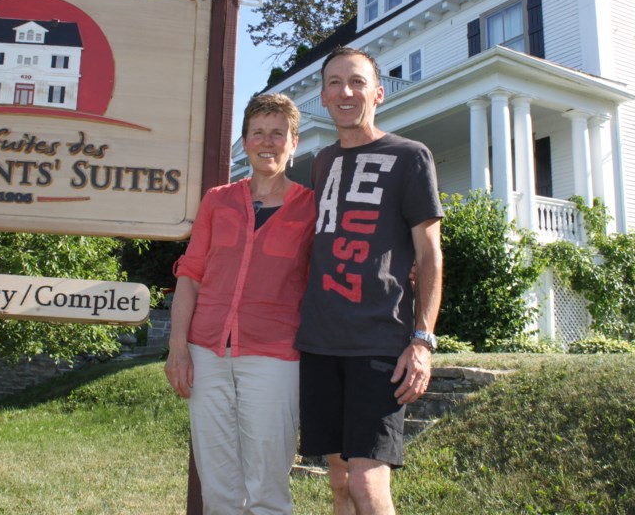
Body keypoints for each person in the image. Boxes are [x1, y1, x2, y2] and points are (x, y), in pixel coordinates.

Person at [295, 46, 444, 515]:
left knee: (366, 481)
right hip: (320, 342)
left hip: (379, 342)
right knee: (339, 481)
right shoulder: (321, 162)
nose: (345, 91)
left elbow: (430, 255)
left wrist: (421, 340)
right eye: (335, 82)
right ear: (322, 96)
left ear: (377, 93)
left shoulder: (409, 156)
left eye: (357, 81)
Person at [164, 93, 315, 515]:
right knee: (218, 485)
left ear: (293, 142)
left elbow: (338, 265)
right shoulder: (218, 200)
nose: (267, 142)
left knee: (267, 484)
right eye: (258, 133)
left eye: (277, 133)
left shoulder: (312, 208)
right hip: (206, 351)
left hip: (274, 355)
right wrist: (178, 347)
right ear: (246, 141)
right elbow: (190, 275)